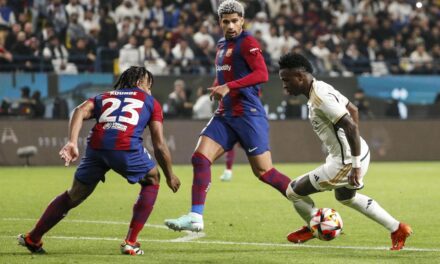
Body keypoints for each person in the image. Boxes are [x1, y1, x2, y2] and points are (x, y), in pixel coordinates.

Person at [18, 66, 181, 255]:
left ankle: (33, 237)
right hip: (124, 146)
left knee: (75, 194)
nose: (149, 90)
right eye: (148, 85)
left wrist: (72, 141)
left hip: (96, 147)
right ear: (139, 83)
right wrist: (170, 175)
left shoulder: (104, 96)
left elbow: (79, 110)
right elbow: (159, 145)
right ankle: (131, 242)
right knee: (153, 178)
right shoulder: (151, 102)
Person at [164, 0, 293, 232]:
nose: (231, 25)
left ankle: (307, 203)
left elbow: (262, 74)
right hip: (226, 112)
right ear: (219, 23)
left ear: (242, 20)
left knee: (265, 172)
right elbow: (226, 75)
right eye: (226, 22)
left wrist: (230, 86)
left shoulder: (248, 42)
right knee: (200, 158)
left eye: (235, 21)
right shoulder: (222, 44)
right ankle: (196, 217)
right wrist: (218, 85)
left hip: (247, 113)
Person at [278, 53, 412, 251]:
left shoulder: (320, 97)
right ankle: (397, 228)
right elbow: (354, 110)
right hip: (358, 152)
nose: (284, 85)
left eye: (286, 80)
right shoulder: (321, 87)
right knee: (346, 197)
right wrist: (353, 150)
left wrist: (354, 164)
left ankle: (314, 227)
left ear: (299, 76)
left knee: (294, 191)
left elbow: (350, 124)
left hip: (345, 163)